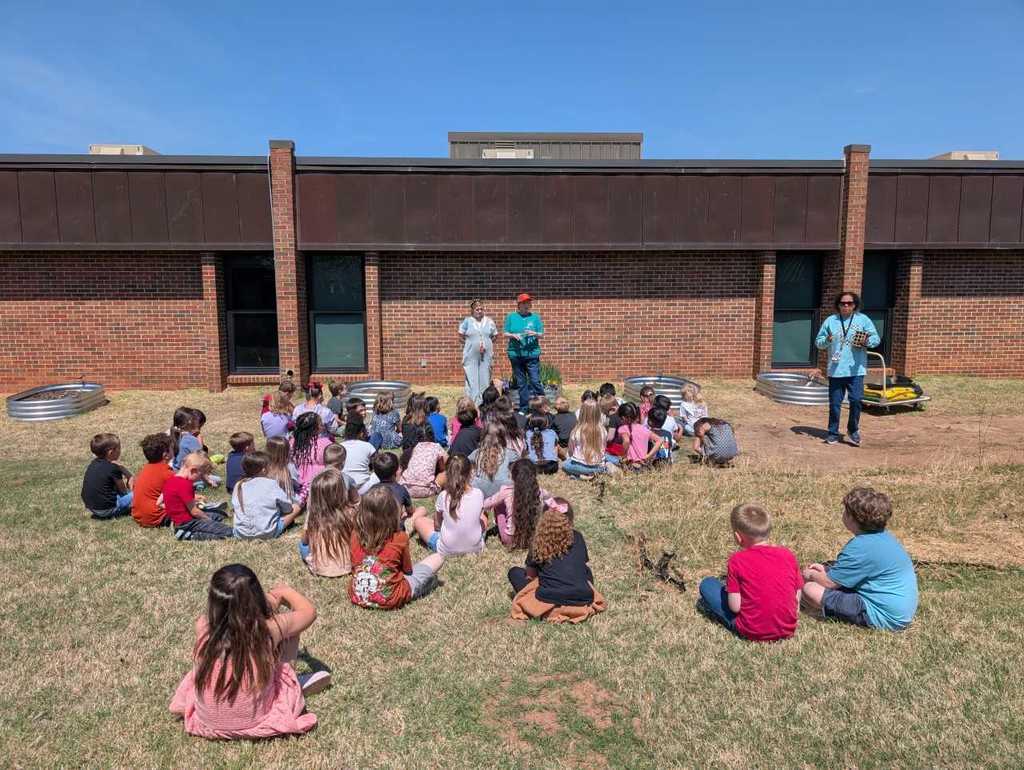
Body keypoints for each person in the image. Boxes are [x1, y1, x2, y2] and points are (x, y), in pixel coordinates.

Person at [170, 564, 329, 739]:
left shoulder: (203, 627)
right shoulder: (269, 631)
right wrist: (285, 591)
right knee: (290, 631)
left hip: (207, 723)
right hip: (257, 721)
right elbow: (309, 612)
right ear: (257, 599)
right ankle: (293, 682)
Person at [801, 488, 918, 631]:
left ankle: (830, 612)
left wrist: (810, 574)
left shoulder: (859, 547)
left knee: (810, 589)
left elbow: (828, 583)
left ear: (852, 518)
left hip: (883, 616)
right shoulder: (886, 538)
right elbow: (856, 572)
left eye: (845, 511)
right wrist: (827, 570)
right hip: (900, 612)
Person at [697, 504, 803, 641]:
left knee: (708, 584)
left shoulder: (737, 561)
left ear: (738, 537)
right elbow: (797, 592)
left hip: (751, 630)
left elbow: (735, 607)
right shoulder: (787, 555)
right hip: (787, 629)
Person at [508, 497, 606, 623]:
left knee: (514, 572)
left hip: (549, 597)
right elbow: (581, 564)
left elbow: (530, 576)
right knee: (586, 570)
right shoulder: (578, 536)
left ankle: (550, 607)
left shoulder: (538, 540)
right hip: (582, 597)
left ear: (543, 519)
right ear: (570, 519)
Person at [349, 486, 445, 610]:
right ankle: (423, 587)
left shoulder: (354, 535)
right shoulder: (400, 538)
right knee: (439, 557)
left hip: (358, 595)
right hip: (391, 598)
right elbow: (408, 571)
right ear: (393, 512)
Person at [815, 291, 881, 446]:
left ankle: (853, 430)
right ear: (838, 305)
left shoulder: (863, 320)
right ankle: (832, 433)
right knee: (835, 404)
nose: (846, 306)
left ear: (855, 305)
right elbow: (818, 342)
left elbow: (876, 339)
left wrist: (867, 341)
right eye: (843, 303)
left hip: (856, 370)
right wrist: (827, 340)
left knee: (856, 400)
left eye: (849, 303)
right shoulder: (831, 321)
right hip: (836, 370)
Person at [411, 455, 486, 557]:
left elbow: (437, 526)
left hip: (446, 549)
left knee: (419, 521)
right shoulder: (478, 493)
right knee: (483, 516)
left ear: (446, 474)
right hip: (476, 547)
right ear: (469, 473)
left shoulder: (443, 496)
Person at [299, 468, 356, 578]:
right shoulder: (350, 512)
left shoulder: (313, 517)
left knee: (302, 545)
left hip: (320, 569)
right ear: (341, 492)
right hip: (349, 565)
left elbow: (304, 540)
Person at [482, 458, 550, 549]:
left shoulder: (507, 491)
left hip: (510, 539)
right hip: (533, 537)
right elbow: (552, 502)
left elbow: (486, 505)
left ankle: (505, 523)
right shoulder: (539, 491)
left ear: (513, 475)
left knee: (499, 505)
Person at [164, 453, 234, 541]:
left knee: (218, 515)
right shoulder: (184, 485)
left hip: (178, 520)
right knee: (227, 531)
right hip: (187, 522)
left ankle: (185, 531)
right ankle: (187, 534)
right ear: (193, 470)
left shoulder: (171, 480)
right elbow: (195, 512)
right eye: (201, 475)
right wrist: (208, 520)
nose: (200, 479)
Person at [232, 452, 302, 539]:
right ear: (264, 470)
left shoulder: (238, 485)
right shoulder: (271, 483)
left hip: (240, 533)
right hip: (267, 532)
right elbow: (288, 508)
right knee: (296, 507)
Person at [503, 293, 544, 412]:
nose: (527, 305)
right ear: (519, 305)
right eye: (524, 303)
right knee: (521, 383)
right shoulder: (511, 317)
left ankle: (541, 406)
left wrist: (535, 333)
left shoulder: (535, 317)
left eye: (528, 303)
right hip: (516, 355)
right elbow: (505, 333)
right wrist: (513, 335)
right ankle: (524, 408)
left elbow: (541, 334)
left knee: (535, 381)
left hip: (532, 354)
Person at [81, 432, 133, 519]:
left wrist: (121, 468)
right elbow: (123, 492)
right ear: (111, 452)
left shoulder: (93, 463)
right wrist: (130, 476)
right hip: (106, 510)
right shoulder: (113, 468)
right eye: (119, 448)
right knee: (139, 492)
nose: (120, 451)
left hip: (92, 508)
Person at [562, 401, 619, 478]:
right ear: (598, 413)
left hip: (580, 466)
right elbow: (603, 448)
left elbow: (571, 451)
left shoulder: (576, 431)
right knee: (607, 456)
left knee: (565, 464)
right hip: (599, 467)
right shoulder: (603, 430)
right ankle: (606, 468)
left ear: (582, 413)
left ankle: (580, 476)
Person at [459, 299, 499, 404]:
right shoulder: (467, 321)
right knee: (471, 378)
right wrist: (471, 344)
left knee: (485, 377)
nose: (479, 311)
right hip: (471, 354)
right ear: (472, 310)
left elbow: (495, 335)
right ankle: (472, 401)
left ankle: (484, 402)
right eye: (477, 309)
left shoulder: (489, 321)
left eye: (481, 309)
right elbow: (461, 335)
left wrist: (486, 343)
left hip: (486, 355)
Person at [132, 433, 175, 527]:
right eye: (172, 448)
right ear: (166, 455)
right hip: (156, 517)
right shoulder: (166, 473)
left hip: (138, 516)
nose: (174, 450)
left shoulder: (145, 469)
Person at [290, 413, 334, 504]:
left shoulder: (292, 442)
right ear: (315, 428)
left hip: (297, 484)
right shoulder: (326, 443)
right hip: (319, 485)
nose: (323, 425)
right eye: (320, 423)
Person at [469, 423, 520, 499]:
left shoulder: (477, 453)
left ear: (483, 436)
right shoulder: (509, 453)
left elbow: (466, 463)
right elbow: (519, 464)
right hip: (503, 490)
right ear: (503, 438)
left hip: (480, 490)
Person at [369, 452, 423, 523]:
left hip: (375, 527)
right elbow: (410, 511)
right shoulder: (401, 489)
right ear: (396, 472)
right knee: (422, 510)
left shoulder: (372, 489)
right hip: (394, 529)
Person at [400, 425, 447, 499]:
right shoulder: (437, 447)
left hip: (406, 488)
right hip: (426, 490)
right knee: (445, 473)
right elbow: (444, 467)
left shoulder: (416, 447)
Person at [617, 402, 664, 469]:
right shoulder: (644, 428)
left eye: (620, 418)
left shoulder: (623, 428)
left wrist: (624, 455)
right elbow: (660, 440)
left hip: (631, 465)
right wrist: (648, 456)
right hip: (643, 465)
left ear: (623, 418)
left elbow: (626, 441)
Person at [340, 417, 378, 494]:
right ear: (361, 433)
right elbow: (378, 465)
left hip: (344, 488)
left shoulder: (340, 447)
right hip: (363, 488)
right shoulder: (368, 446)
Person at [264, 436, 300, 501]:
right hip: (287, 501)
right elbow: (295, 486)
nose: (291, 449)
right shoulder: (287, 468)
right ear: (286, 452)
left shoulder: (264, 468)